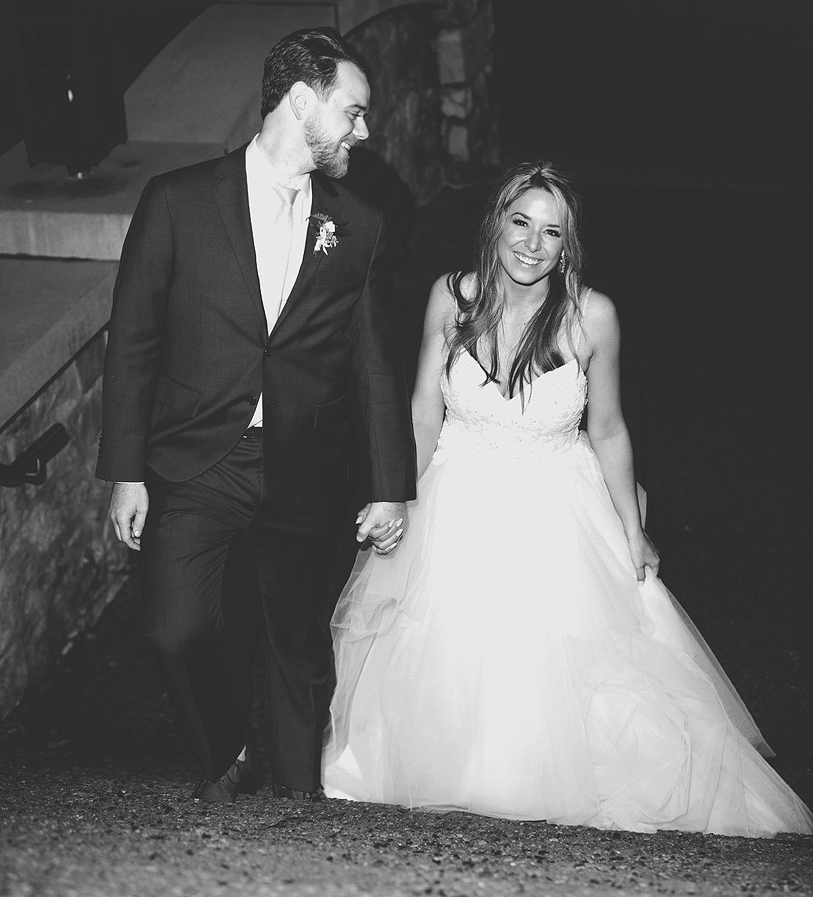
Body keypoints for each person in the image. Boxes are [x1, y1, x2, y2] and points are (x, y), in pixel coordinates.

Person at [323, 161, 813, 836]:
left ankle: (551, 774)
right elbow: (420, 413)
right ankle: (441, 766)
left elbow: (606, 427)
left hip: (556, 504)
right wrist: (398, 497)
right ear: (495, 222)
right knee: (442, 638)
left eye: (551, 233)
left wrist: (629, 529)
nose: (531, 243)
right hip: (457, 492)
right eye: (520, 222)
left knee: (576, 652)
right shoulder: (452, 297)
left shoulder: (591, 316)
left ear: (567, 247)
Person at [98, 27, 415, 804]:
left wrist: (388, 484)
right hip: (197, 460)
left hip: (304, 462)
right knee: (175, 629)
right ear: (301, 100)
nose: (363, 130)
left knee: (297, 647)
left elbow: (373, 363)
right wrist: (125, 470)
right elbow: (133, 342)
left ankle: (301, 805)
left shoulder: (359, 224)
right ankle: (223, 750)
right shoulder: (175, 202)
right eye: (354, 111)